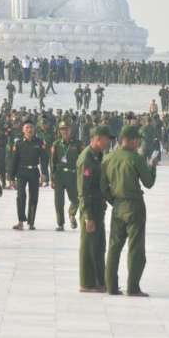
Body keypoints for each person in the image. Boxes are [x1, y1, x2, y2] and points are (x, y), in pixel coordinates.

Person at [101, 125, 158, 296]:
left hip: (118, 206)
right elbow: (148, 183)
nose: (138, 143)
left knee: (114, 247)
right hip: (135, 206)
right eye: (137, 140)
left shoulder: (108, 158)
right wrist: (152, 166)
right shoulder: (136, 158)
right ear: (131, 140)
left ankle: (111, 286)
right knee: (136, 248)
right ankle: (133, 287)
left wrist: (114, 201)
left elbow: (103, 187)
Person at [77, 125, 112, 293]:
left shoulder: (98, 156)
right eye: (106, 139)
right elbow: (83, 190)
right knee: (88, 247)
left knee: (99, 246)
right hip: (90, 210)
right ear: (98, 139)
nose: (108, 142)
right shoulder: (86, 158)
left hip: (99, 208)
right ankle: (86, 283)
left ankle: (99, 281)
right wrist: (87, 216)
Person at [7, 120, 46, 230]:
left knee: (34, 197)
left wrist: (44, 173)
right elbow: (14, 160)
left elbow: (44, 159)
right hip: (21, 172)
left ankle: (31, 222)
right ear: (23, 130)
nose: (29, 130)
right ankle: (20, 221)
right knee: (21, 196)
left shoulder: (39, 142)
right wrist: (11, 177)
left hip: (34, 172)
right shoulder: (19, 143)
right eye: (27, 127)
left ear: (34, 129)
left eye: (31, 127)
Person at [50, 120, 82, 231]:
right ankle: (60, 223)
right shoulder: (56, 144)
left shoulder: (77, 144)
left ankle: (71, 214)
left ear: (70, 130)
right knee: (59, 202)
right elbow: (52, 162)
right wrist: (52, 178)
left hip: (72, 175)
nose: (65, 131)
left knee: (76, 199)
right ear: (59, 131)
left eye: (67, 129)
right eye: (62, 129)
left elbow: (83, 160)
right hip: (59, 176)